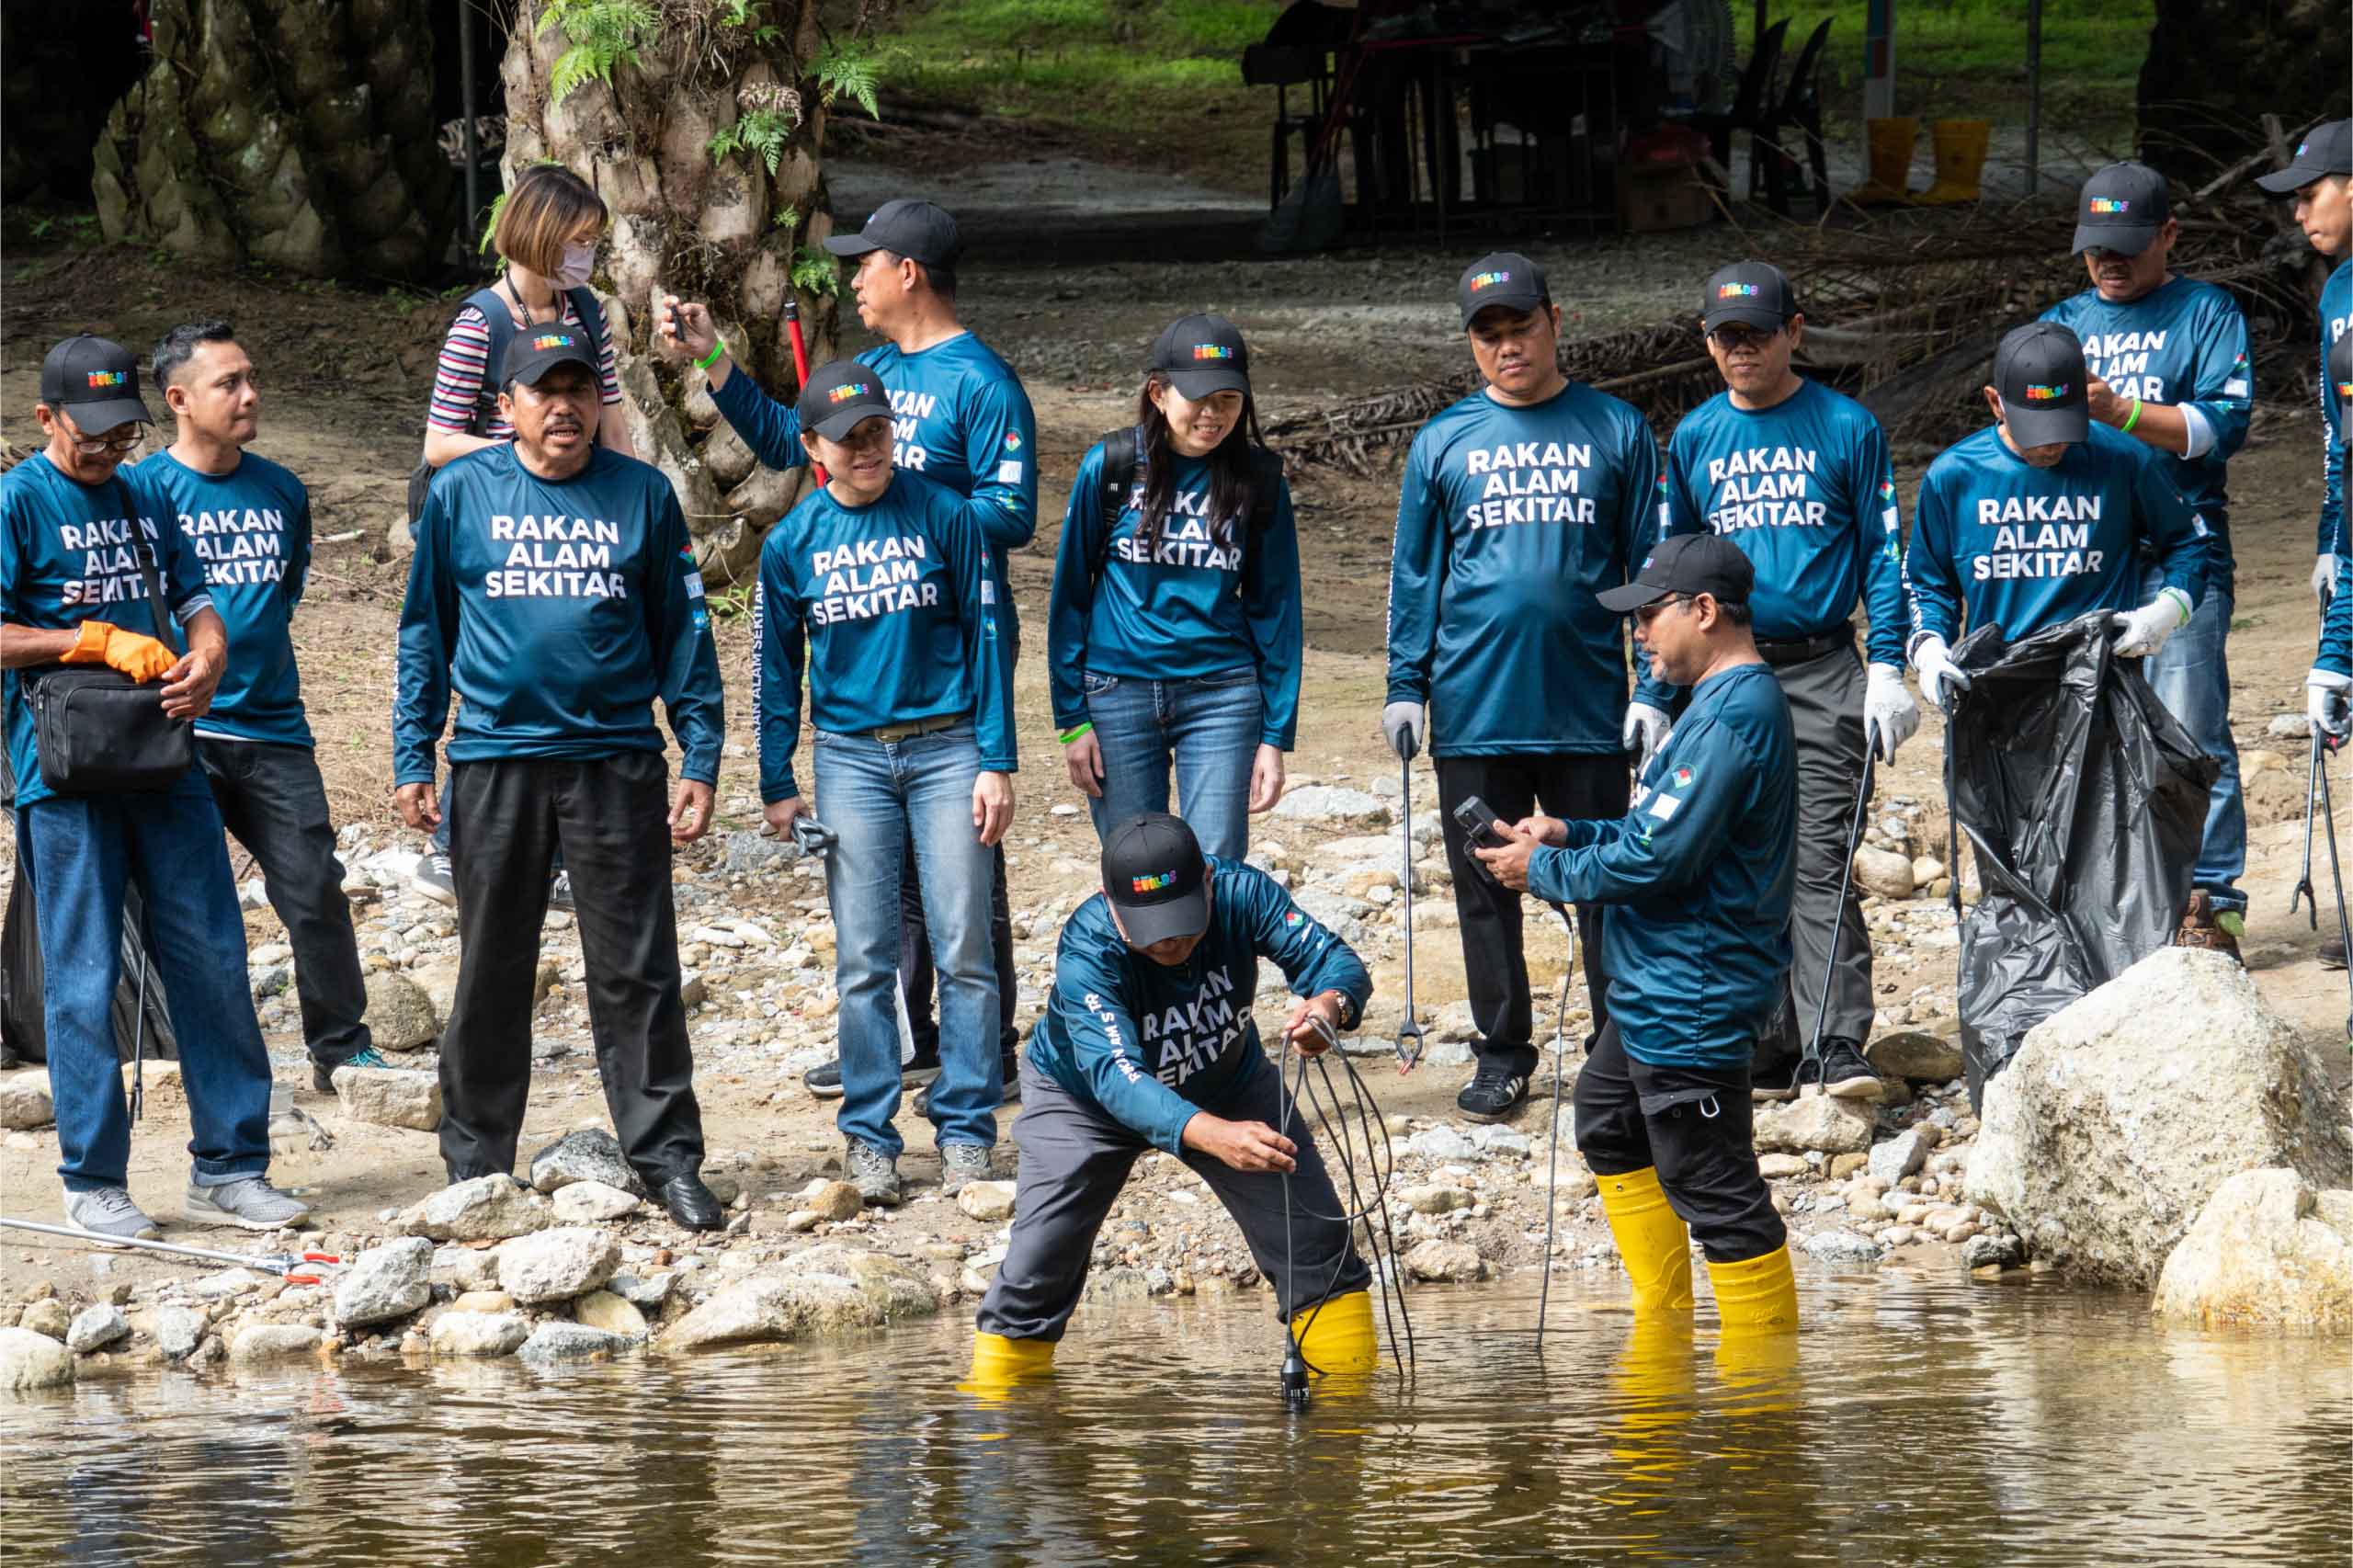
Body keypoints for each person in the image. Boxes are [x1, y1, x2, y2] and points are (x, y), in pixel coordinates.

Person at [662, 198, 1036, 1107]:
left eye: (863, 261)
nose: (851, 276)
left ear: (907, 270)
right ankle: (903, 1038)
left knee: (960, 873)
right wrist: (711, 357)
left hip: (948, 646)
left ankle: (984, 1053)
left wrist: (905, 509)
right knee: (887, 879)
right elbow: (795, 438)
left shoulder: (981, 382)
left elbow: (1012, 515)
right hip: (861, 655)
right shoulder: (868, 369)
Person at [392, 325, 726, 1231]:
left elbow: (684, 637)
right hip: (494, 761)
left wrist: (700, 753)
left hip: (615, 759)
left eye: (578, 388)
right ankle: (475, 1162)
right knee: (491, 966)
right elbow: (424, 629)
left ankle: (666, 1159)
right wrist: (410, 751)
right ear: (505, 408)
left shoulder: (643, 496)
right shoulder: (461, 492)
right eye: (544, 390)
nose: (565, 406)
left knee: (636, 969)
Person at [2, 334, 308, 1239]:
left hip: (164, 752)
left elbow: (194, 590)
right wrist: (87, 640)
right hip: (64, 771)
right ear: (46, 418)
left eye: (121, 432)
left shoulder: (141, 495)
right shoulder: (18, 501)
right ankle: (93, 1178)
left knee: (212, 952)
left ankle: (231, 1165)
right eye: (87, 433)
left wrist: (208, 649)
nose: (105, 450)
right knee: (84, 971)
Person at [1474, 534, 1797, 1333]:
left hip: (1694, 989)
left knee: (1714, 1186)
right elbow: (1655, 830)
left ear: (1706, 611)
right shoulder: (1709, 708)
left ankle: (1768, 1415)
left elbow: (1659, 861)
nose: (1639, 634)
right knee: (1608, 1118)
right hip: (1655, 986)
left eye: (1650, 616)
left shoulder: (1736, 716)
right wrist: (1569, 836)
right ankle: (1665, 1325)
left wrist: (1537, 873)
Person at [1383, 251, 1667, 1123]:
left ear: (1556, 322)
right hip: (1474, 707)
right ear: (1474, 345)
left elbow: (1647, 572)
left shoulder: (1617, 430)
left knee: (1604, 881)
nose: (1508, 347)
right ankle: (1503, 1051)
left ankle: (1615, 1049)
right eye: (1489, 335)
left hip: (1588, 706)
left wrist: (1653, 685)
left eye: (1521, 327)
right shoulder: (1444, 442)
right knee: (1484, 890)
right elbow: (1416, 574)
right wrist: (1405, 684)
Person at [970, 812, 1378, 1388]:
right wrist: (1211, 1134)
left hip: (1228, 1080)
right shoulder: (1089, 946)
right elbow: (1116, 1076)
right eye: (1148, 926)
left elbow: (1334, 962)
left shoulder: (1244, 893)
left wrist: (1330, 1006)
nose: (1169, 940)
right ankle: (998, 1434)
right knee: (1038, 1267)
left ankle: (1348, 1424)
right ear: (1112, 906)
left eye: (1182, 920)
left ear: (1207, 881)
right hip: (1085, 1104)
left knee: (1318, 1245)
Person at [754, 360, 1017, 1207]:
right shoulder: (792, 543)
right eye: (848, 438)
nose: (867, 449)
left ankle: (968, 1131)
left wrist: (997, 760)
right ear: (811, 448)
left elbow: (988, 644)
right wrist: (775, 780)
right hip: (850, 759)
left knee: (963, 945)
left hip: (947, 750)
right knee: (864, 955)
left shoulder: (946, 514)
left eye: (877, 430)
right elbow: (775, 670)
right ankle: (870, 1137)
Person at [1657, 262, 1917, 1102]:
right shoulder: (1695, 437)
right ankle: (1768, 1036)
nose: (1742, 351)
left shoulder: (1846, 426)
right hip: (1727, 672)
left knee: (1817, 859)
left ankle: (1835, 1040)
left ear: (1794, 332)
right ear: (1707, 342)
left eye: (1758, 335)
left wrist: (1887, 662)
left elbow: (1884, 549)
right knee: (1732, 856)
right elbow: (1671, 573)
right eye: (1726, 337)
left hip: (1822, 665)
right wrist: (1654, 689)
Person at [131, 321, 382, 1094]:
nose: (250, 395)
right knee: (188, 902)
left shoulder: (282, 488)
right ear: (179, 400)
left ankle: (341, 1047)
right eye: (228, 384)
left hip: (275, 726)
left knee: (313, 889)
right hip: (179, 729)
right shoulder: (142, 491)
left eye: (250, 378)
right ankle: (188, 1050)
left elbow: (286, 588)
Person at [2039, 162, 2256, 954]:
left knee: (2191, 728)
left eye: (2127, 246)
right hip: (2090, 555)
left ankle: (2213, 900)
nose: (2110, 262)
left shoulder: (2207, 312)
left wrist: (2120, 410)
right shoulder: (2062, 324)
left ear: (2169, 235)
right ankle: (2118, 903)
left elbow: (2221, 429)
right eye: (2096, 248)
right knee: (2091, 734)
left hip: (2182, 552)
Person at [412, 162, 631, 907]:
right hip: (493, 519)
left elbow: (610, 402)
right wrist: (530, 450)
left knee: (574, 661)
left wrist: (633, 492)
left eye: (592, 243)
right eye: (577, 241)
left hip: (575, 510)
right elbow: (440, 442)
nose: (586, 255)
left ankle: (567, 851)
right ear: (539, 236)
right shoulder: (483, 321)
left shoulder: (585, 311)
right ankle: (454, 846)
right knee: (497, 672)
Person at [1046, 312, 1302, 857]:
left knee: (1218, 868)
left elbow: (1276, 608)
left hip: (1223, 696)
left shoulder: (1258, 479)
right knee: (1139, 873)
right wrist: (1071, 721)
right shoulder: (1111, 466)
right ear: (1159, 394)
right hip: (1116, 693)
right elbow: (1069, 596)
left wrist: (1275, 737)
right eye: (1198, 398)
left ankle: (1222, 949)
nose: (1213, 414)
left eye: (1228, 399)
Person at [1904, 321, 2208, 729]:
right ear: (1996, 403)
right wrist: (1929, 648)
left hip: (2102, 688)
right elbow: (1928, 581)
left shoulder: (2121, 458)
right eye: (2036, 430)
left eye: (2063, 426)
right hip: (1998, 690)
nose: (2050, 443)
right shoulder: (1954, 476)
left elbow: (2188, 541)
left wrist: (2167, 611)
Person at [2258, 119, 2353, 966]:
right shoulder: (2335, 294)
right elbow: (2339, 436)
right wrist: (2331, 537)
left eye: (2311, 194)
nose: (2298, 216)